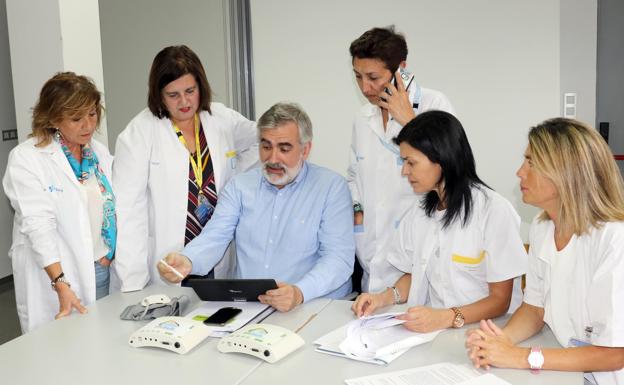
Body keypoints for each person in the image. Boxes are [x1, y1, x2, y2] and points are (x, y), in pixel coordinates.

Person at [466, 118, 624, 384]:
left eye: (531, 162)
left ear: (567, 173)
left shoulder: (614, 238)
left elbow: (615, 353)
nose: (519, 172)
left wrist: (519, 356)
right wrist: (501, 341)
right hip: (570, 371)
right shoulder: (542, 227)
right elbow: (534, 310)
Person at [158, 102, 354, 312]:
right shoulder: (240, 187)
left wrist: (299, 292)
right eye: (266, 146)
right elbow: (215, 236)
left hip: (312, 305)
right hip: (250, 307)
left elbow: (338, 259)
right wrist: (187, 260)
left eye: (284, 148)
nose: (273, 159)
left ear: (305, 150)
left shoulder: (331, 188)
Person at [352, 111, 526, 333]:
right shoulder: (419, 213)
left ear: (441, 159)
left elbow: (500, 300)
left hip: (486, 333)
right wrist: (382, 298)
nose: (404, 171)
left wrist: (446, 317)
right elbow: (413, 274)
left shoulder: (494, 211)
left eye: (410, 162)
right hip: (434, 332)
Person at [113, 45, 258, 292]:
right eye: (173, 95)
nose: (184, 102)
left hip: (216, 253)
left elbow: (260, 140)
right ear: (159, 95)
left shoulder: (221, 119)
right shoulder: (139, 133)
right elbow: (129, 212)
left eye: (190, 91)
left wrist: (236, 177)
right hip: (167, 259)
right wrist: (132, 283)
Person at [3, 72, 115, 332]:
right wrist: (60, 282)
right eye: (76, 118)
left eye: (92, 113)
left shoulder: (96, 152)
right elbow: (38, 225)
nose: (88, 125)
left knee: (102, 348)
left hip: (99, 267)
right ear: (53, 119)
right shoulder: (27, 159)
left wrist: (109, 252)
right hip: (57, 276)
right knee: (61, 355)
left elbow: (111, 206)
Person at [347, 26, 455, 293]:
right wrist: (358, 224)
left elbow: (453, 169)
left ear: (401, 69)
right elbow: (353, 178)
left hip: (418, 263)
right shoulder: (363, 118)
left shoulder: (434, 104)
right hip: (371, 261)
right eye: (358, 76)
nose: (365, 87)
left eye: (373, 77)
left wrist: (410, 121)